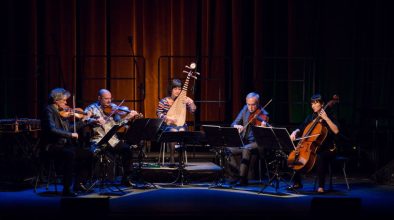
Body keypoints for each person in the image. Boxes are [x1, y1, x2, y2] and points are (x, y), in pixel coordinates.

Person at [40, 88, 93, 196]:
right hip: (52, 146)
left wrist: (84, 121)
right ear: (56, 100)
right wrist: (70, 135)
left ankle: (79, 183)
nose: (66, 103)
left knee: (89, 154)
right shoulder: (48, 110)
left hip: (64, 145)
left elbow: (69, 128)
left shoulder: (61, 111)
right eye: (64, 100)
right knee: (70, 154)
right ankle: (67, 188)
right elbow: (51, 129)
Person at [84, 89, 139, 186]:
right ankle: (95, 178)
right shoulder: (92, 108)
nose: (109, 101)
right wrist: (94, 120)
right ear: (99, 98)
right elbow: (84, 119)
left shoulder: (114, 110)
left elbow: (118, 125)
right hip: (98, 139)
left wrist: (127, 118)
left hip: (112, 140)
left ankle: (126, 178)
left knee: (127, 150)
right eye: (106, 99)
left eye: (110, 98)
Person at [289, 94, 339, 193]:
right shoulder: (311, 116)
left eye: (316, 103)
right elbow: (302, 126)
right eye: (312, 103)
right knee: (296, 154)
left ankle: (321, 186)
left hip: (328, 148)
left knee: (321, 157)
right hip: (315, 146)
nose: (313, 106)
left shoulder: (331, 115)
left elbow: (336, 131)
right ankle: (297, 182)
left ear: (322, 104)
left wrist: (326, 118)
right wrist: (295, 131)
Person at [226, 92, 269, 186]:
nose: (250, 107)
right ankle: (234, 175)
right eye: (248, 104)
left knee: (246, 148)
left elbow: (265, 136)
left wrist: (263, 128)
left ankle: (242, 179)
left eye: (253, 105)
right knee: (228, 148)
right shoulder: (245, 109)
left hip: (257, 142)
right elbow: (233, 123)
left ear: (258, 103)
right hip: (244, 141)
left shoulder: (263, 114)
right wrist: (237, 126)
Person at [156, 78, 197, 164]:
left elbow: (193, 110)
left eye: (179, 89)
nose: (178, 91)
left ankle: (180, 157)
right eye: (175, 89)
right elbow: (158, 113)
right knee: (174, 131)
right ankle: (172, 157)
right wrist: (168, 118)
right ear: (171, 89)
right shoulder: (164, 101)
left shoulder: (183, 100)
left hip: (181, 125)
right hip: (167, 125)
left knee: (181, 131)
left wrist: (191, 102)